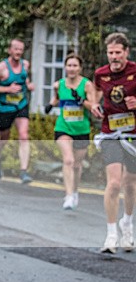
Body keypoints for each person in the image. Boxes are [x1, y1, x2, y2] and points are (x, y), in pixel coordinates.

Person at [91, 32, 136, 254]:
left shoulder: (135, 71)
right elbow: (96, 94)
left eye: (118, 53)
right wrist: (93, 105)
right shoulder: (101, 74)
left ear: (127, 52)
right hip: (111, 133)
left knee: (130, 184)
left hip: (133, 134)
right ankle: (111, 235)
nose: (114, 57)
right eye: (110, 53)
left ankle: (127, 223)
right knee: (115, 183)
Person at [0, 38, 36, 183]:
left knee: (24, 135)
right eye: (15, 49)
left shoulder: (25, 64)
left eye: (21, 49)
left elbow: (24, 80)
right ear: (10, 50)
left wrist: (29, 85)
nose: (18, 52)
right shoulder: (1, 68)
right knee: (4, 138)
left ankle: (24, 172)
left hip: (20, 105)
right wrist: (8, 89)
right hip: (4, 107)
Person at [47, 53, 94, 210]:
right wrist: (50, 105)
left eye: (75, 66)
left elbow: (93, 107)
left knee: (77, 164)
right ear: (65, 67)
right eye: (69, 65)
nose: (72, 69)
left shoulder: (86, 85)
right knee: (68, 160)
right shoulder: (59, 84)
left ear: (80, 68)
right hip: (63, 127)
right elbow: (55, 100)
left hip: (81, 128)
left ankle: (74, 191)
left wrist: (81, 101)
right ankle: (67, 196)